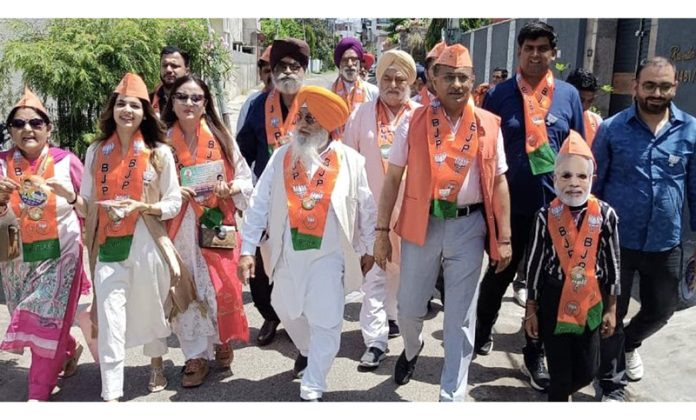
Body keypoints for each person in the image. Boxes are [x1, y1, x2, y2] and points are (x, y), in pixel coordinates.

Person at [374, 44, 512, 401]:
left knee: (460, 319)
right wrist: (380, 232)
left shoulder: (488, 125)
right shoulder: (413, 121)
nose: (455, 83)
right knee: (408, 308)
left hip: (469, 227)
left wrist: (505, 238)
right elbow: (392, 179)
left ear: (473, 81)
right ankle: (412, 346)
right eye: (447, 76)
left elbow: (499, 182)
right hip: (424, 223)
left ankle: (451, 395)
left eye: (463, 77)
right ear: (432, 79)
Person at [237, 86, 376, 401]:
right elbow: (259, 202)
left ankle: (314, 382)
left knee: (326, 320)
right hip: (288, 254)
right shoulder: (283, 156)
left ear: (327, 124)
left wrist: (368, 246)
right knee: (286, 309)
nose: (300, 123)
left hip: (329, 257)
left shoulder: (350, 161)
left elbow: (367, 206)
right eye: (299, 116)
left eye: (310, 119)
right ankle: (307, 349)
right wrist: (247, 250)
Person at [475, 21, 585, 393]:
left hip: (556, 212)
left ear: (553, 52)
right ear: (519, 53)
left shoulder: (568, 95)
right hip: (511, 209)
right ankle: (482, 328)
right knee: (499, 276)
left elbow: (579, 153)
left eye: (542, 48)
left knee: (545, 285)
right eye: (528, 48)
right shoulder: (499, 95)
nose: (535, 54)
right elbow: (486, 152)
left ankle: (534, 349)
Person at [74, 73, 186, 401]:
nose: (127, 110)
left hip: (146, 243)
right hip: (108, 246)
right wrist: (69, 197)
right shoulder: (96, 150)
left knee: (151, 308)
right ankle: (112, 392)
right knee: (109, 317)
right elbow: (86, 204)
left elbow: (174, 201)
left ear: (144, 112)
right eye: (121, 103)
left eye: (134, 105)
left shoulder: (159, 152)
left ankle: (156, 362)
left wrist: (144, 206)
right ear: (112, 109)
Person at [592, 56, 696, 401]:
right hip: (617, 242)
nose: (656, 92)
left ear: (674, 87)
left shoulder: (691, 130)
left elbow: (694, 189)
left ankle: (630, 344)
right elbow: (595, 186)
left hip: (667, 243)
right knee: (611, 313)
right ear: (635, 86)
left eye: (664, 85)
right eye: (649, 84)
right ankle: (610, 383)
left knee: (662, 309)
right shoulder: (612, 129)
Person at [161, 75, 252, 387]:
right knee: (186, 289)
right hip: (178, 227)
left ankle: (221, 340)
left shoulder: (221, 136)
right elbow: (148, 185)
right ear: (171, 103)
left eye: (196, 98)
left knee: (220, 286)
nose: (189, 103)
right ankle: (195, 355)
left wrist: (230, 188)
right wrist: (172, 193)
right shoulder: (160, 141)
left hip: (216, 220)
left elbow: (245, 177)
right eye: (182, 97)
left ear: (206, 104)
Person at [0, 88, 90, 401]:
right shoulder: (0, 165)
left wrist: (70, 196)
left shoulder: (68, 162)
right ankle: (67, 348)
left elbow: (91, 207)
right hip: (14, 258)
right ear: (10, 130)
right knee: (32, 320)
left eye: (36, 123)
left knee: (41, 317)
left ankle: (37, 394)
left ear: (48, 128)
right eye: (19, 123)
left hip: (60, 253)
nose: (28, 129)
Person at [524, 130, 619, 402]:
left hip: (591, 297)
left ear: (592, 179)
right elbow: (534, 264)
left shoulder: (606, 214)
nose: (574, 183)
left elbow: (613, 263)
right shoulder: (545, 216)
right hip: (554, 297)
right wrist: (531, 308)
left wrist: (612, 308)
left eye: (581, 176)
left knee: (588, 371)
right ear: (554, 178)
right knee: (560, 372)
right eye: (565, 175)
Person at [343, 50, 420, 370]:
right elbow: (347, 160)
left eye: (399, 79)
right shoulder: (360, 114)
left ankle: (391, 317)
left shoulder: (420, 114)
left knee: (400, 273)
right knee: (374, 274)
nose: (392, 84)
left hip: (411, 211)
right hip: (372, 213)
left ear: (410, 83)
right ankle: (375, 341)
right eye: (387, 78)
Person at [237, 37, 310, 346]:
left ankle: (302, 320)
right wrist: (242, 193)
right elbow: (242, 155)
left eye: (295, 66)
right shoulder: (257, 106)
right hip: (270, 200)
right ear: (273, 71)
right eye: (282, 66)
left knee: (305, 262)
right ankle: (270, 314)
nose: (288, 72)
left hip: (309, 198)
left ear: (304, 70)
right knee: (263, 266)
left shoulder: (316, 103)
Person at [331, 37, 379, 116]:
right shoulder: (329, 91)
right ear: (339, 65)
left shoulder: (373, 92)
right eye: (345, 60)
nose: (350, 64)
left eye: (353, 59)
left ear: (359, 63)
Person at [236, 45, 273, 137]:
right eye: (267, 71)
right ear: (260, 74)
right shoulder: (252, 103)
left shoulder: (296, 102)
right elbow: (241, 141)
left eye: (276, 70)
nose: (272, 76)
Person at [566, 68, 603, 147]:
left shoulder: (596, 122)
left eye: (590, 101)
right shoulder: (554, 118)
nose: (584, 106)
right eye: (580, 100)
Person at [151, 46, 191, 116]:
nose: (168, 70)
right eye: (165, 65)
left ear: (186, 71)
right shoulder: (149, 101)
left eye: (174, 66)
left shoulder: (197, 100)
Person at [412, 41, 446, 106]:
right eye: (436, 69)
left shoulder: (464, 105)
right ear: (426, 73)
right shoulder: (413, 107)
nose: (441, 74)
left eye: (447, 70)